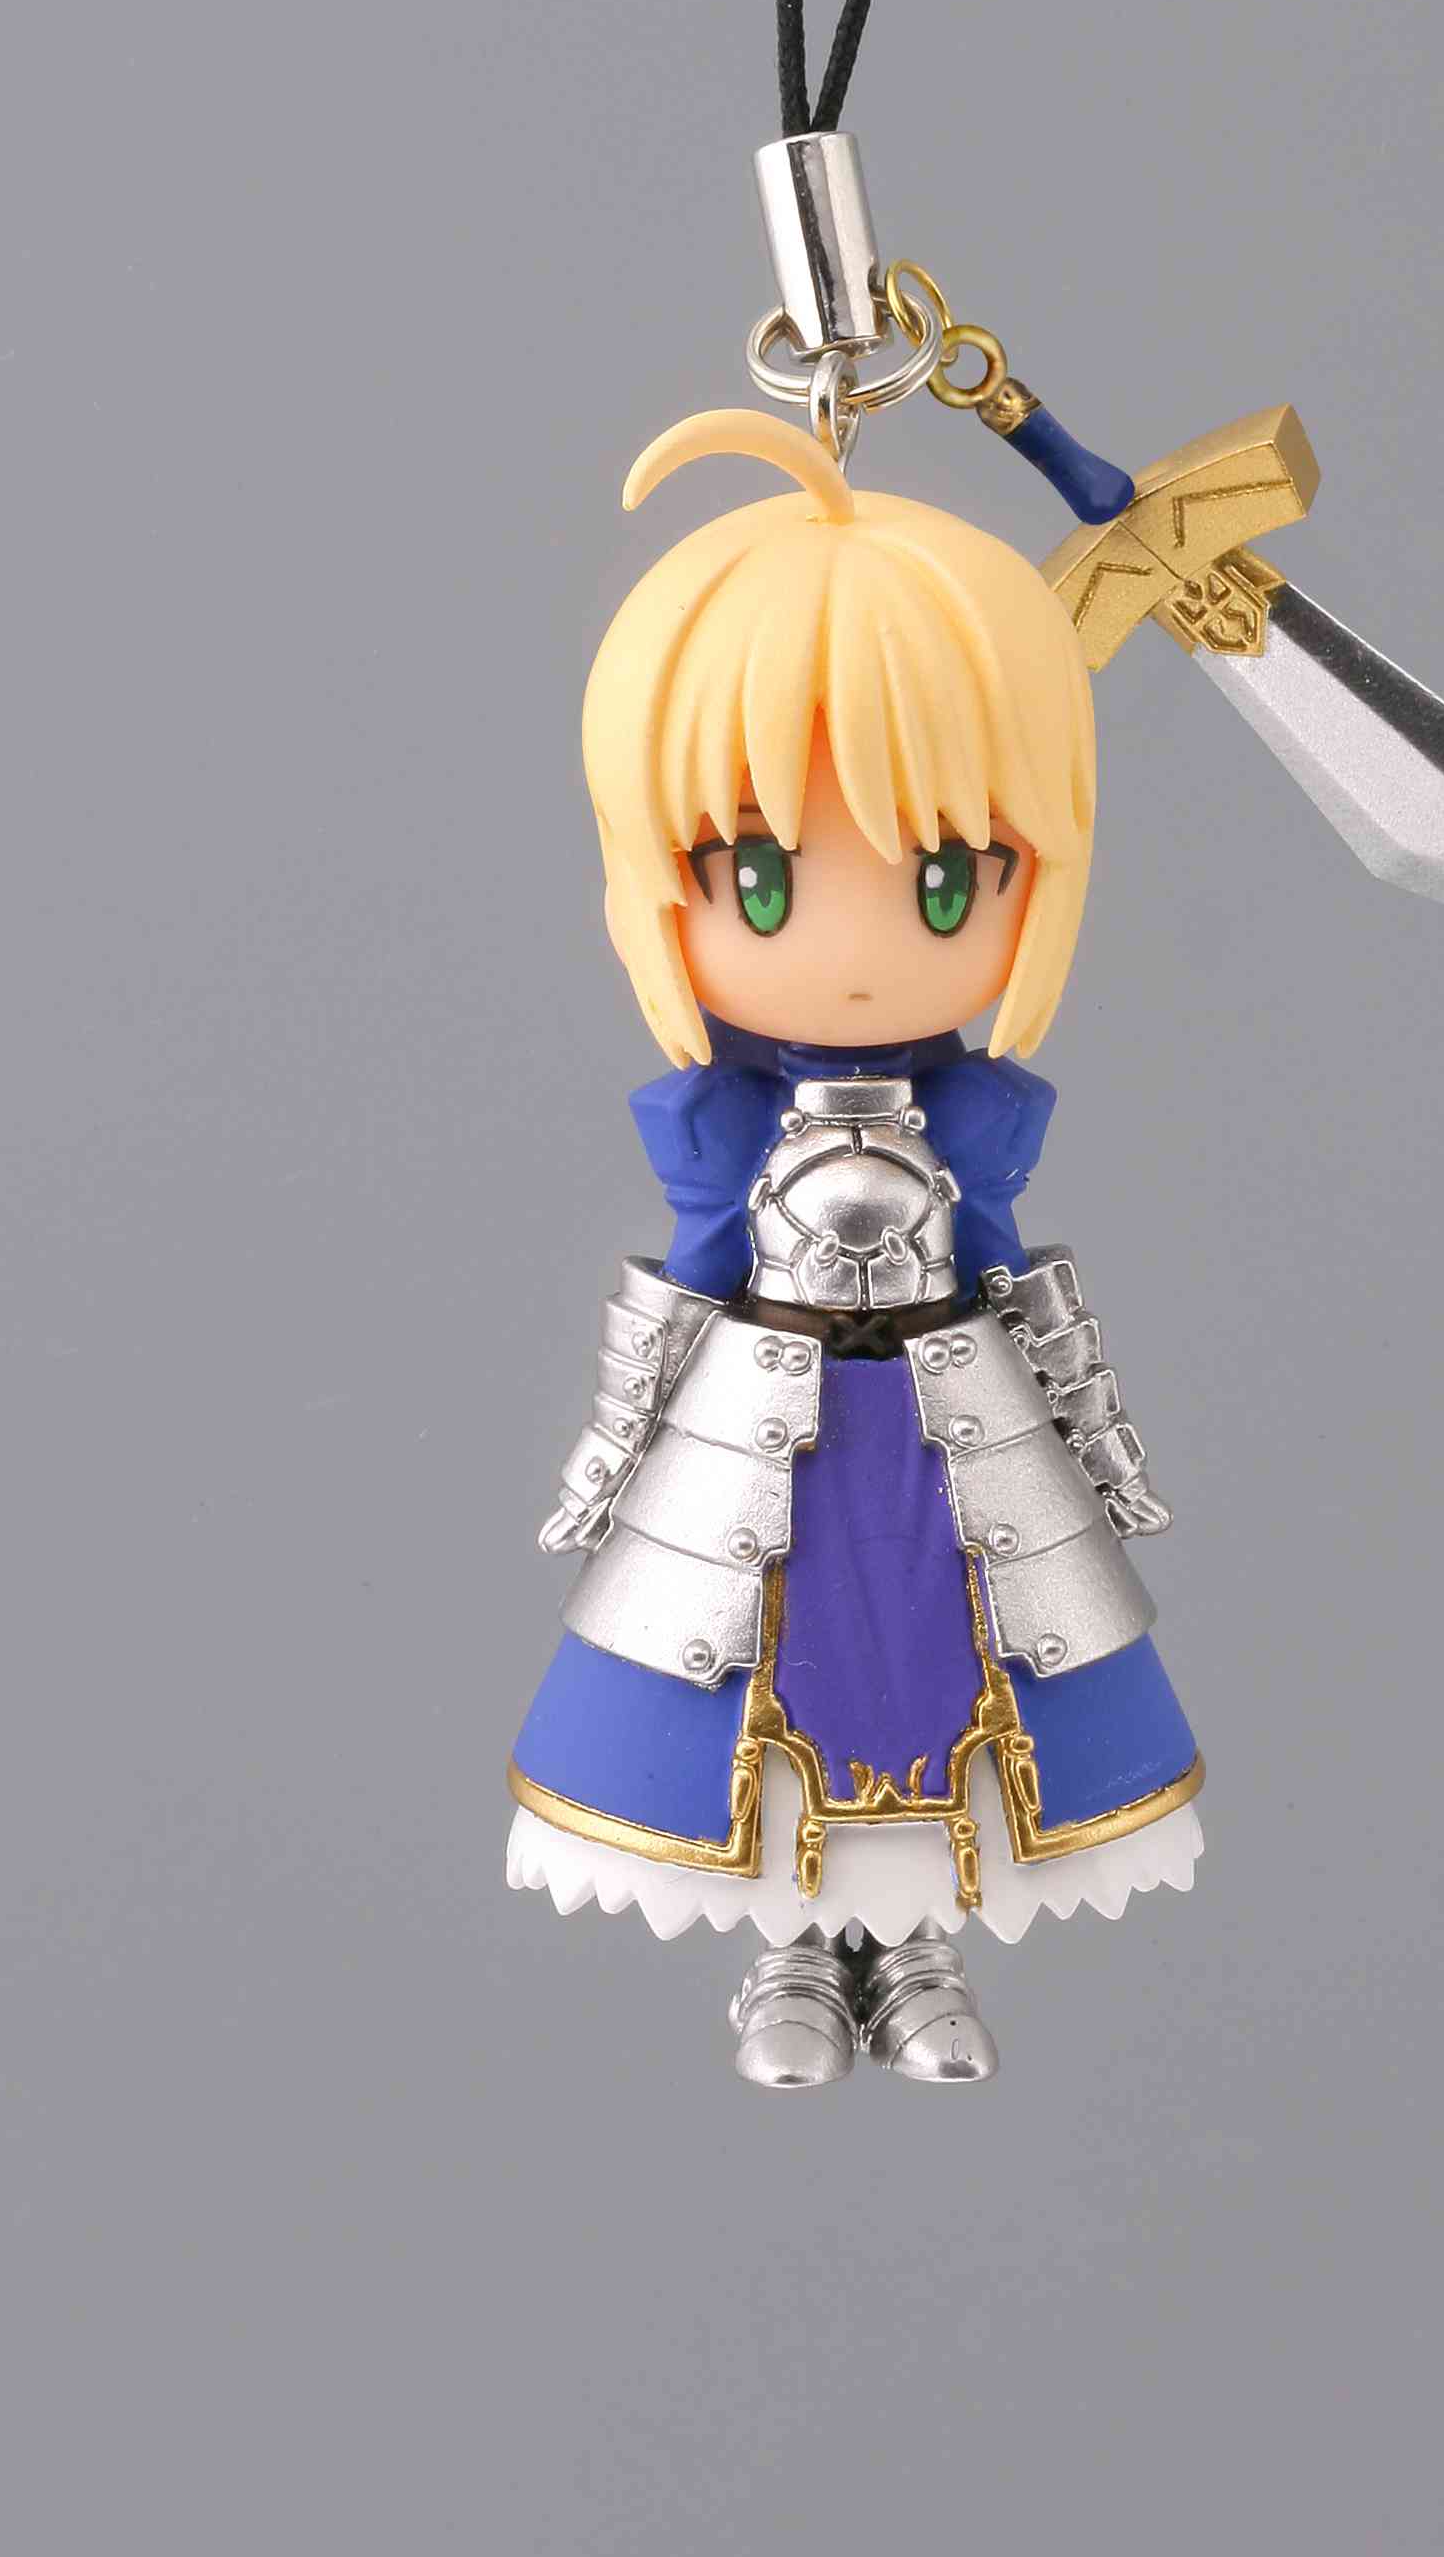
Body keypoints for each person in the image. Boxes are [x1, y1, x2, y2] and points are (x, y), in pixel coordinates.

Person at [506, 407, 1201, 2088]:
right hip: (762, 1414)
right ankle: (796, 1961)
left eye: (950, 880)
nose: (863, 936)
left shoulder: (974, 1121)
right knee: (758, 1681)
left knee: (950, 1673)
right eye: (758, 876)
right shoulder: (723, 1129)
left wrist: (1102, 1450)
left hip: (954, 1421)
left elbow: (1019, 1273)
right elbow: (685, 1279)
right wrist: (607, 1456)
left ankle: (920, 1950)